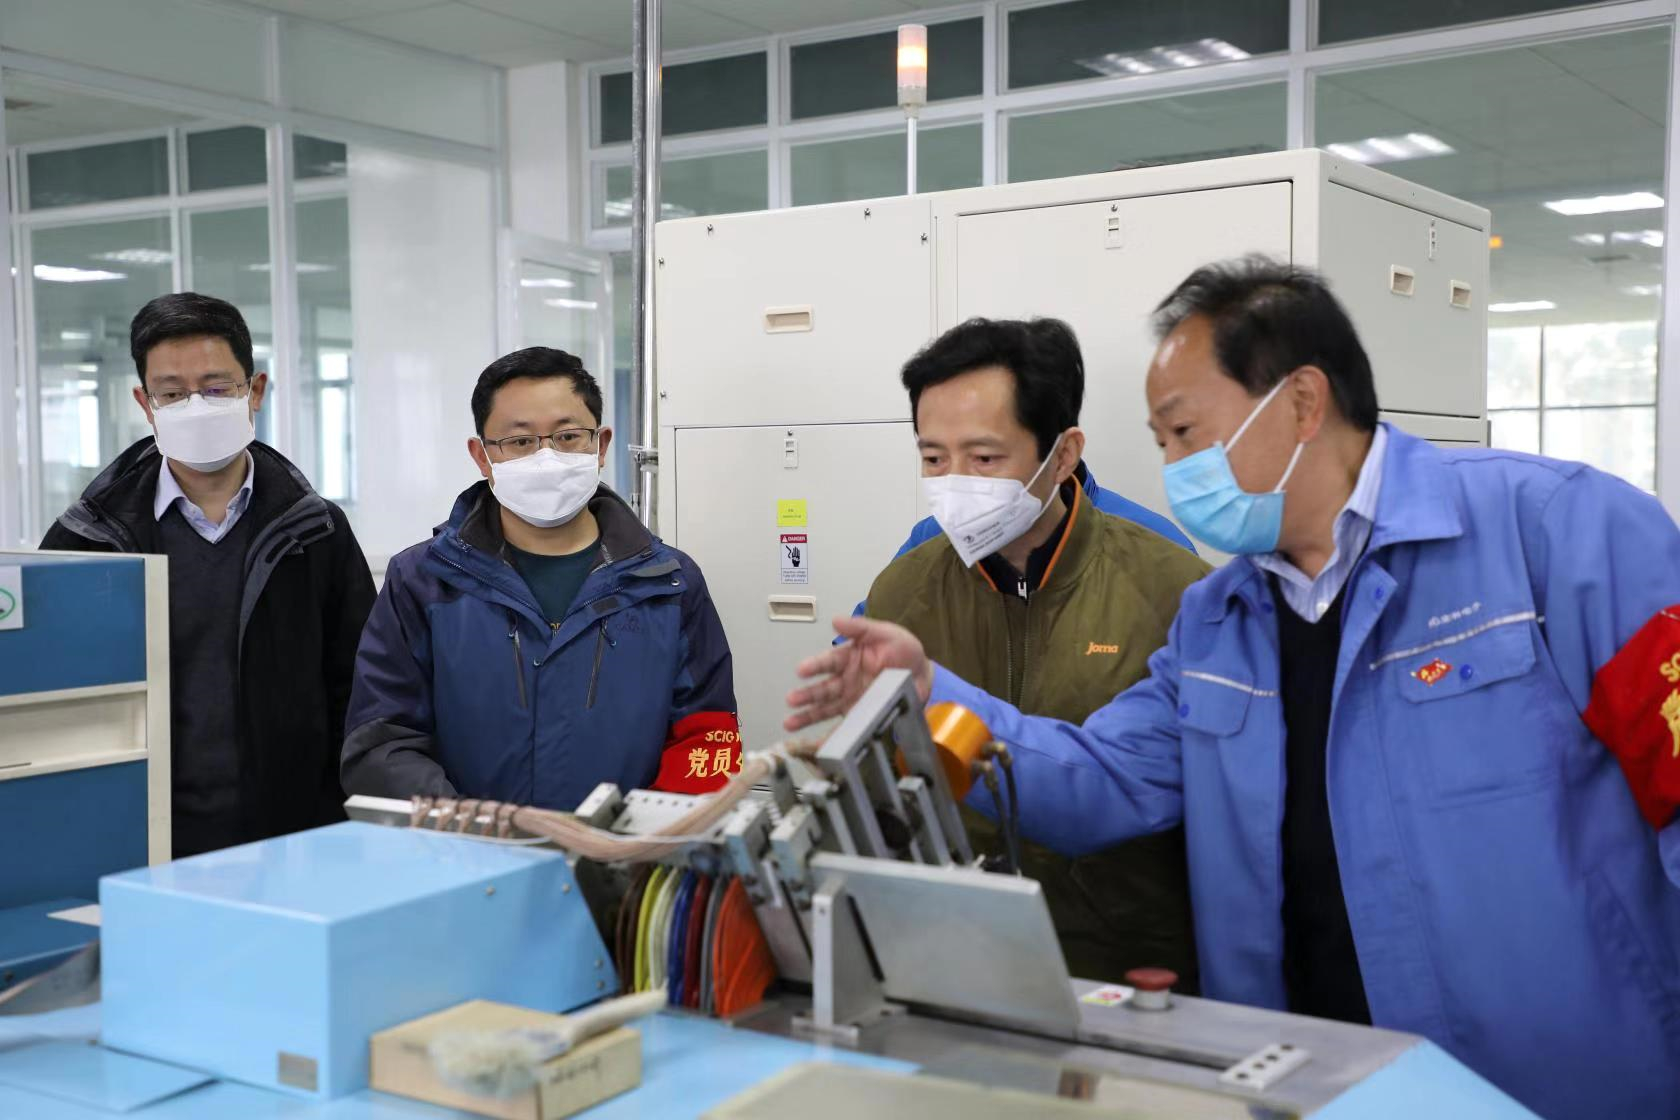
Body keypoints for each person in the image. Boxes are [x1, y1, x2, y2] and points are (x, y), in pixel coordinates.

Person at [785, 257, 1680, 1120]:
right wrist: (930, 694)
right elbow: (1104, 779)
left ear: (1301, 403)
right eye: (1162, 443)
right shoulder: (1220, 620)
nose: (1177, 469)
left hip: (1555, 1086)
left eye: (1186, 434)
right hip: (1301, 1075)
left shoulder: (1555, 532)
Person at [863, 316, 1209, 985]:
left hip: (1124, 968)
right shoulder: (903, 592)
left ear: (1064, 453)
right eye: (933, 458)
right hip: (954, 954)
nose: (955, 482)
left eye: (984, 459)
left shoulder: (1172, 588)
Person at [41, 292, 375, 858]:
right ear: (146, 403)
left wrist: (339, 814)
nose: (195, 406)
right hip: (139, 837)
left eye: (217, 388)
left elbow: (359, 686)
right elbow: (53, 698)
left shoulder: (315, 531)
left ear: (256, 391)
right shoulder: (88, 538)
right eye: (172, 393)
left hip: (292, 837)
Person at [343, 347, 740, 809]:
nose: (546, 457)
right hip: (469, 848)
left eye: (568, 436)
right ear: (482, 456)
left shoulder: (669, 583)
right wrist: (470, 831)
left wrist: (639, 838)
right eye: (520, 441)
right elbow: (383, 742)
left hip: (627, 851)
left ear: (601, 446)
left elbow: (708, 736)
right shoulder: (423, 582)